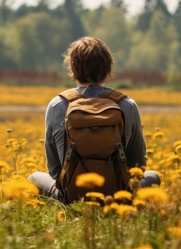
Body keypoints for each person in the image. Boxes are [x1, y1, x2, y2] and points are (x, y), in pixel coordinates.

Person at [28, 36, 160, 203]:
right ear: (107, 67)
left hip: (70, 198)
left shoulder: (57, 105)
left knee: (33, 177)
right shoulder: (127, 105)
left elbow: (54, 170)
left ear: (73, 67)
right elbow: (138, 166)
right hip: (119, 197)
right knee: (154, 176)